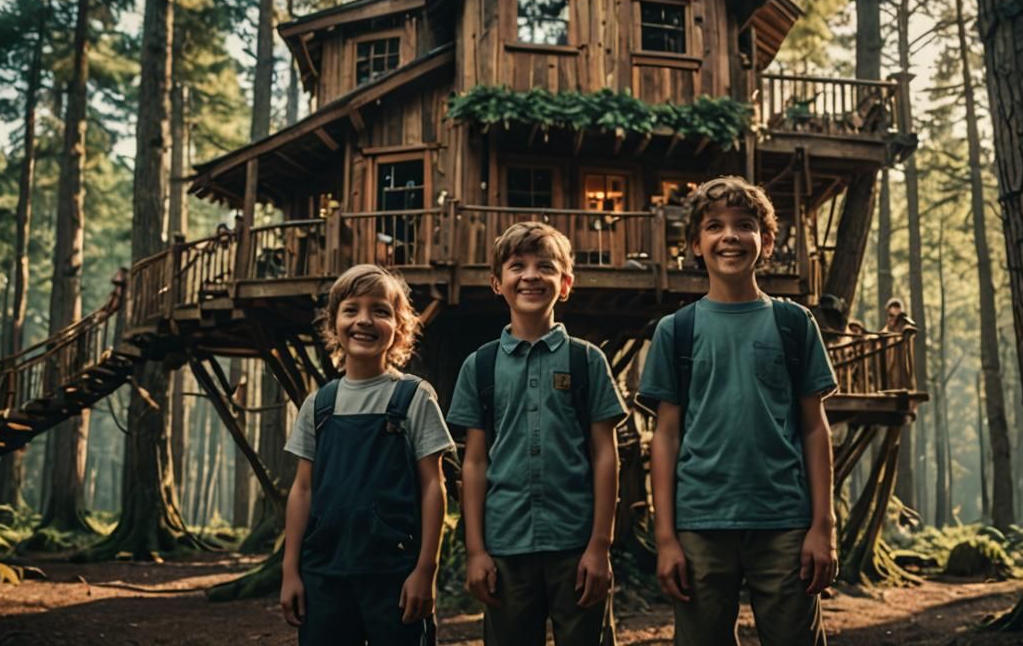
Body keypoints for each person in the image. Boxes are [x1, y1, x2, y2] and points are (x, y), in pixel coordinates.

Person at [640, 176, 838, 646]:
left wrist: (823, 526)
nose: (729, 236)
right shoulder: (676, 330)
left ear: (766, 242)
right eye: (714, 226)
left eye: (744, 225)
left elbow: (814, 428)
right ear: (695, 244)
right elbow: (665, 437)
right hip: (700, 523)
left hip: (785, 520)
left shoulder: (793, 323)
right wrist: (666, 537)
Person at [447, 221, 627, 646]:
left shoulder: (587, 360)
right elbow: (473, 462)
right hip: (505, 546)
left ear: (565, 284)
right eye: (516, 266)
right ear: (497, 283)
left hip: (576, 544)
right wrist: (475, 551)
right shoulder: (481, 366)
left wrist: (600, 545)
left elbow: (605, 455)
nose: (530, 275)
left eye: (544, 266)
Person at [279, 264, 454, 645]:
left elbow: (432, 486)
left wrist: (426, 569)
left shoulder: (413, 397)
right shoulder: (319, 404)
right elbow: (302, 490)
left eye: (380, 310)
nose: (364, 320)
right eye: (351, 309)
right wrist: (290, 570)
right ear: (333, 322)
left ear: (400, 326)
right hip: (324, 575)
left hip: (394, 573)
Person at [881, 297, 917, 391]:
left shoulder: (906, 330)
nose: (893, 319)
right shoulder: (884, 334)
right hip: (889, 379)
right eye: (891, 315)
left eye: (897, 316)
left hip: (904, 379)